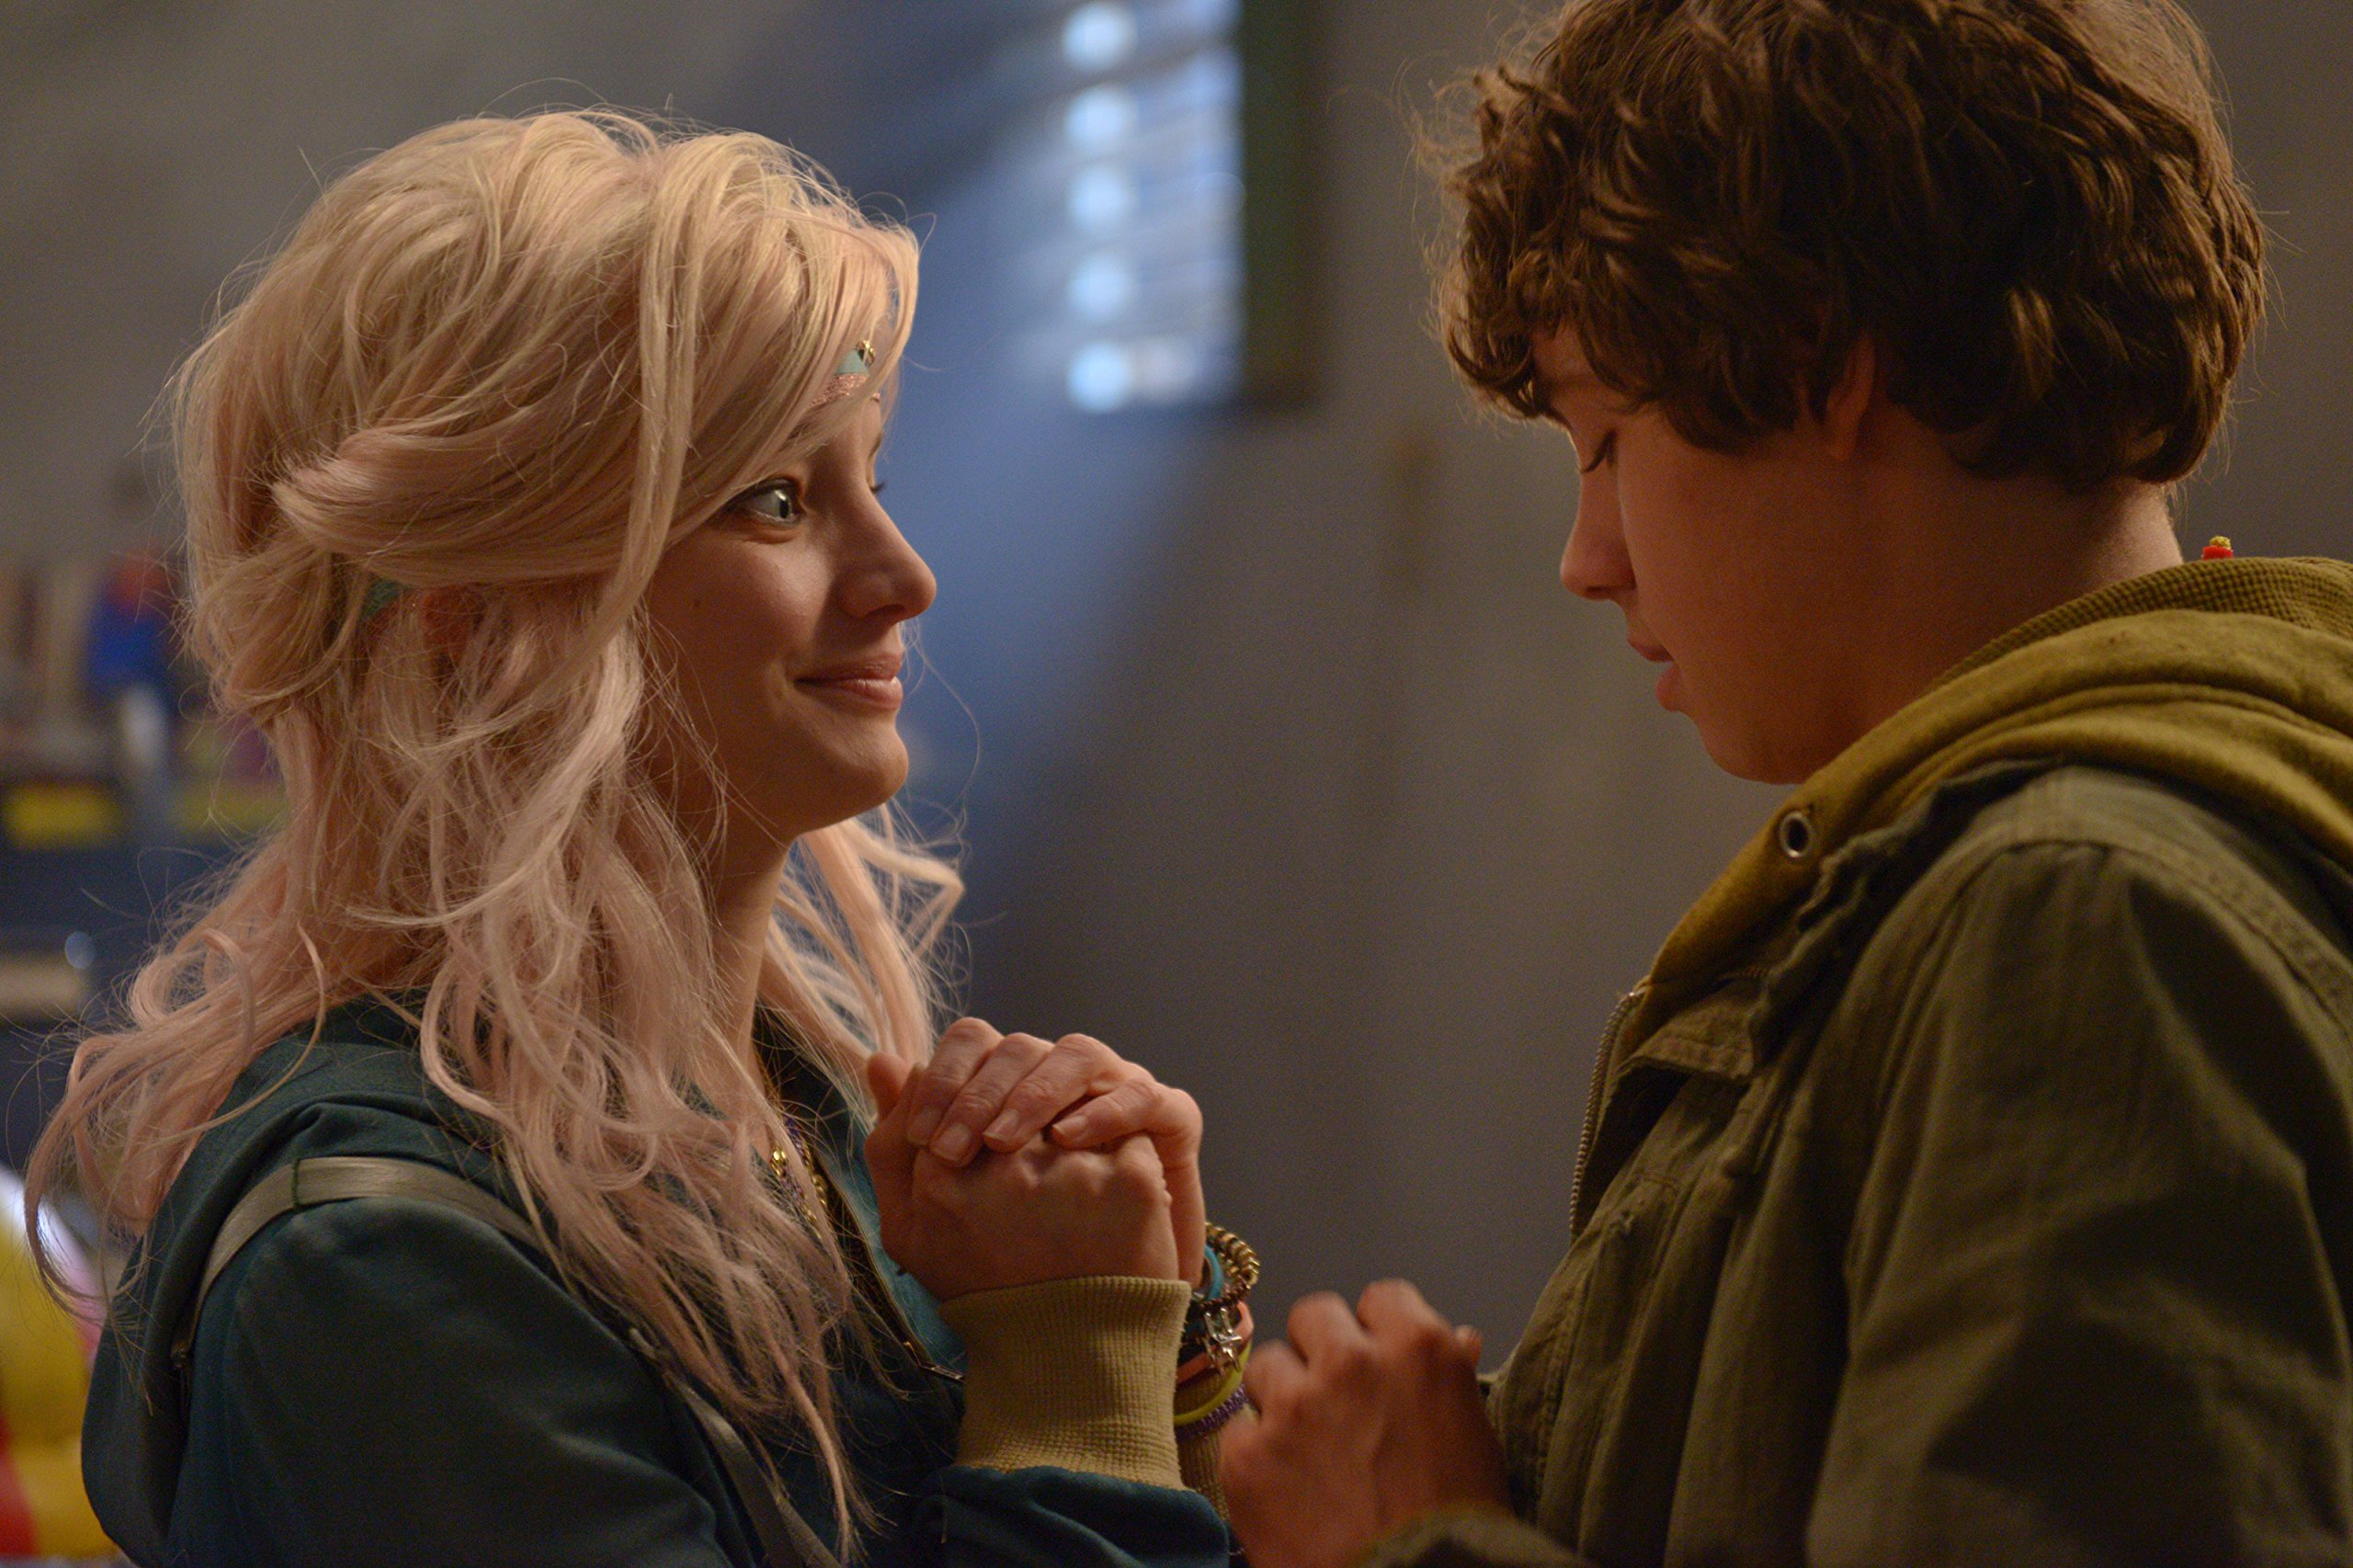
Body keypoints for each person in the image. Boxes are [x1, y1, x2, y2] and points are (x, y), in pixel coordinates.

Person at [25, 110, 1243, 1567]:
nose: (904, 575)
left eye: (874, 481)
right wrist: (1068, 1368)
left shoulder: (790, 1106)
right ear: (480, 623)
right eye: (777, 501)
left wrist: (1165, 1353)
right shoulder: (382, 1269)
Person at [1219, 2, 2353, 1564]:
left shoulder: (2077, 920)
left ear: (1817, 368)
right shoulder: (2084, 861)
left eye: (1608, 442)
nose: (1588, 558)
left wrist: (1411, 1540)